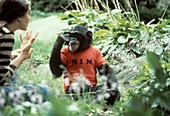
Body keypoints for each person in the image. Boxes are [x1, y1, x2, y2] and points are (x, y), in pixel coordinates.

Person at [0, 0, 49, 106]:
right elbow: (3, 78)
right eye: (29, 13)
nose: (30, 18)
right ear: (19, 17)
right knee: (45, 91)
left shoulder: (2, 29)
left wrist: (12, 54)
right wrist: (22, 55)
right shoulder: (7, 35)